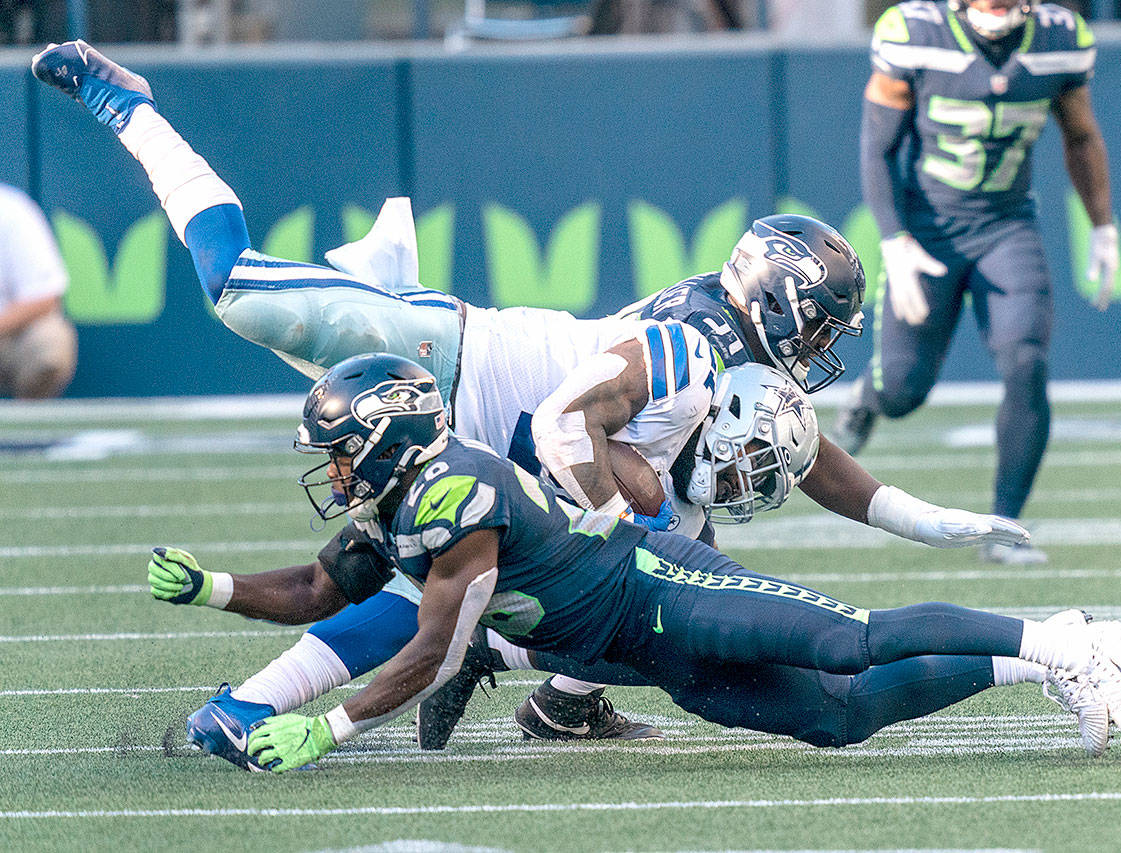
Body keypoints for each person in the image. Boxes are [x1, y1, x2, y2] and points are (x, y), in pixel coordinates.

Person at [34, 39, 1032, 757]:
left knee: (579, 604)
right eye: (814, 325)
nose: (817, 351)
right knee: (235, 292)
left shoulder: (740, 387)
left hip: (494, 452)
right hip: (452, 365)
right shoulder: (693, 349)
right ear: (774, 302)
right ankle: (132, 106)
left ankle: (545, 698)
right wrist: (606, 513)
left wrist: (934, 522)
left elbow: (816, 465)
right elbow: (570, 425)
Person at [150, 353, 1121, 773]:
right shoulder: (399, 499)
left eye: (338, 445)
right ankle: (1046, 653)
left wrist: (325, 726)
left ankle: (1052, 640)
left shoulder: (456, 496)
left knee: (847, 641)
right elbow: (320, 589)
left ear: (386, 433)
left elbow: (435, 647)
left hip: (660, 590)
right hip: (631, 647)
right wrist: (217, 588)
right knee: (838, 719)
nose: (331, 468)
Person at [834, 0, 1118, 565]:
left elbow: (1081, 135)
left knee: (1026, 359)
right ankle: (869, 398)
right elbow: (878, 146)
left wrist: (1103, 225)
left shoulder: (1060, 37)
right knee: (904, 391)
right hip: (928, 226)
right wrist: (895, 238)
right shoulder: (915, 31)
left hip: (1006, 225)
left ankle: (1003, 526)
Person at [0, 182, 76, 399]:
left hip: (7, 335)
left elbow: (44, 298)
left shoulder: (11, 210)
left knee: (49, 341)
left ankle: (26, 428)